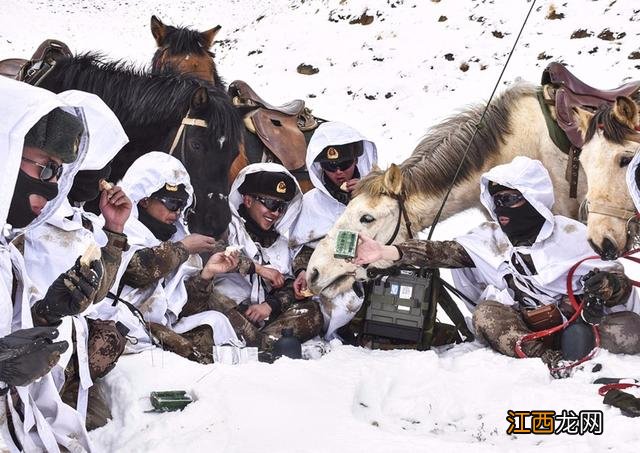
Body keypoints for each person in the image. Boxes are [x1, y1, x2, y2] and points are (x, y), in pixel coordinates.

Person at [354, 156, 640, 369]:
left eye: (510, 199)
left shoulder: (573, 235)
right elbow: (438, 252)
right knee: (487, 315)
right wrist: (385, 251)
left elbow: (622, 288)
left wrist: (607, 286)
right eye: (496, 200)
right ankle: (543, 360)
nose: (501, 208)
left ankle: (581, 352)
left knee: (631, 329)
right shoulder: (489, 239)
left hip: (580, 322)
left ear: (533, 198)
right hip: (527, 327)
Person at [22, 91, 132, 430]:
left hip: (62, 366)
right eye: (49, 169)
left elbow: (92, 293)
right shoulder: (23, 215)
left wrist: (114, 231)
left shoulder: (75, 219)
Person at [1, 77, 94, 452]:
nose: (54, 187)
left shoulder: (8, 253)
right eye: (46, 169)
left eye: (60, 173)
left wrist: (45, 316)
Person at [93, 152, 238, 363]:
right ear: (144, 199)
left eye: (182, 204)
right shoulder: (115, 226)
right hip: (114, 324)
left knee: (215, 323)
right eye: (172, 203)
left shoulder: (176, 238)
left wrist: (206, 276)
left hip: (157, 326)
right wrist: (182, 248)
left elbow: (185, 310)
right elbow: (135, 271)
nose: (178, 212)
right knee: (190, 354)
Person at [199, 163, 323, 351]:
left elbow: (293, 282)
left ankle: (259, 343)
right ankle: (262, 344)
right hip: (231, 308)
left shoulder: (284, 238)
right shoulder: (226, 226)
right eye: (271, 204)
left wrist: (270, 305)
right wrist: (258, 268)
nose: (275, 213)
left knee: (312, 313)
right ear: (248, 201)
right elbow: (218, 252)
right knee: (215, 306)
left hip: (267, 314)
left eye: (281, 207)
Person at [290, 121, 378, 340]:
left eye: (345, 164)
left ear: (357, 160)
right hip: (323, 275)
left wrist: (364, 198)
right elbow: (301, 246)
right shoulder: (311, 203)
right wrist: (302, 270)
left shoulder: (379, 198)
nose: (339, 173)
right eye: (331, 167)